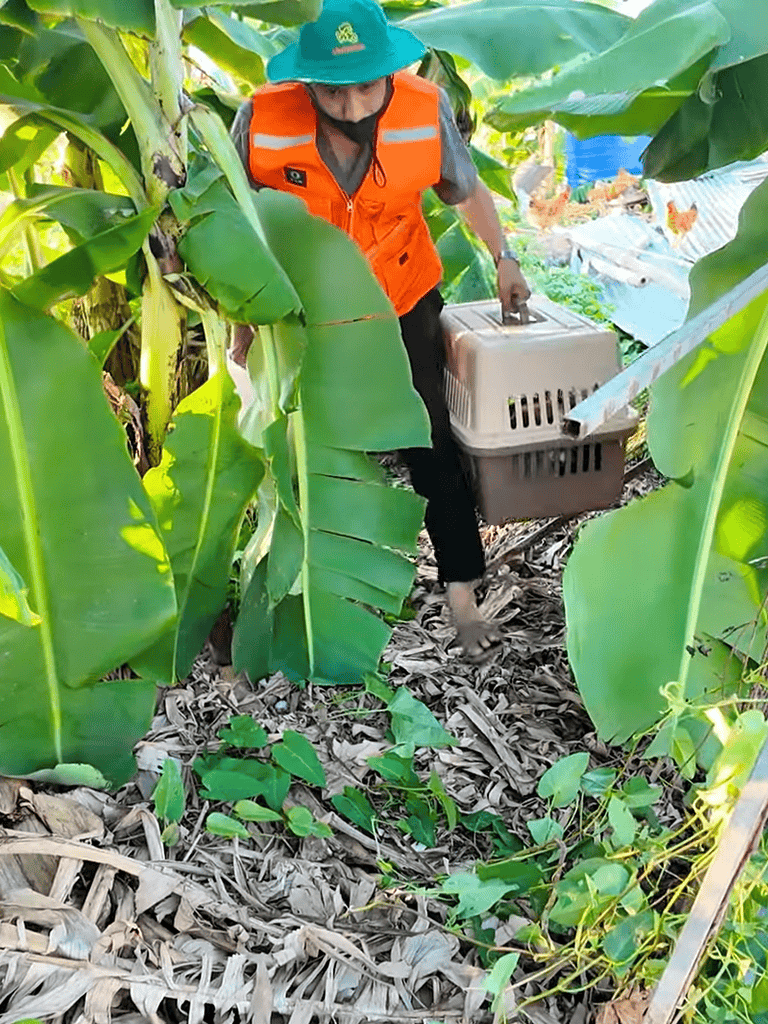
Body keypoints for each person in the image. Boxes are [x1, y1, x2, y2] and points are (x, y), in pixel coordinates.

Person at [229, 0, 531, 661]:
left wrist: (504, 257)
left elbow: (465, 188)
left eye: (367, 84)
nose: (352, 102)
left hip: (401, 294)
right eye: (333, 89)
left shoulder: (424, 108)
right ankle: (309, 590)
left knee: (429, 443)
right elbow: (231, 223)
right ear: (306, 80)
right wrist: (243, 326)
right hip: (305, 308)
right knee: (309, 448)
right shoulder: (261, 119)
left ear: (391, 72)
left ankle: (460, 594)